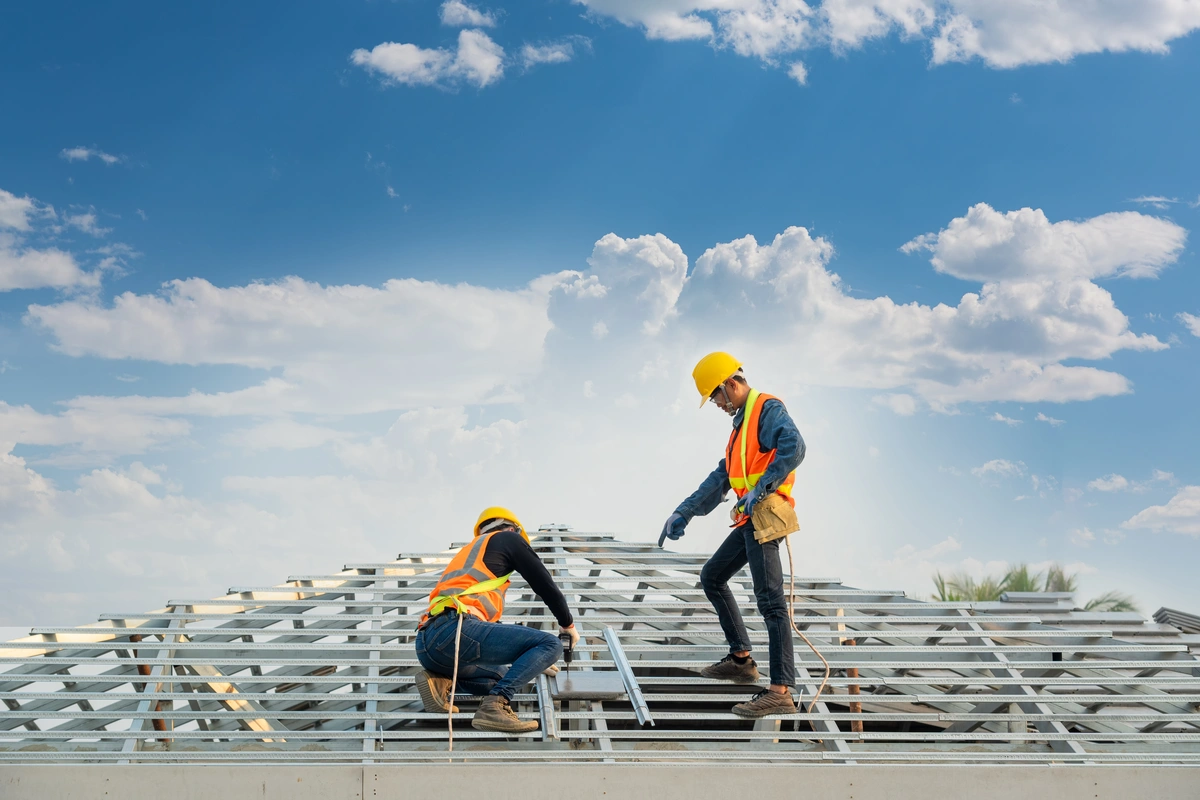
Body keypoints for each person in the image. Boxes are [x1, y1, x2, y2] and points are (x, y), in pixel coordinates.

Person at [659, 352, 806, 718]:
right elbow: (720, 478)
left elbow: (794, 446)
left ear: (731, 384)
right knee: (712, 576)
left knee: (771, 602)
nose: (717, 405)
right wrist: (684, 511)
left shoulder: (765, 409)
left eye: (716, 397)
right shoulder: (740, 429)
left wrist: (762, 487)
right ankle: (741, 659)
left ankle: (780, 690)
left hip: (765, 515)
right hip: (748, 520)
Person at [414, 507, 579, 733]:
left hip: (429, 643)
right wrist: (567, 624)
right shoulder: (507, 538)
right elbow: (543, 583)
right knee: (550, 644)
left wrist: (535, 661)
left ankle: (441, 682)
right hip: (455, 630)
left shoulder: (470, 557)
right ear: (513, 529)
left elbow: (485, 632)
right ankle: (495, 706)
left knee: (503, 676)